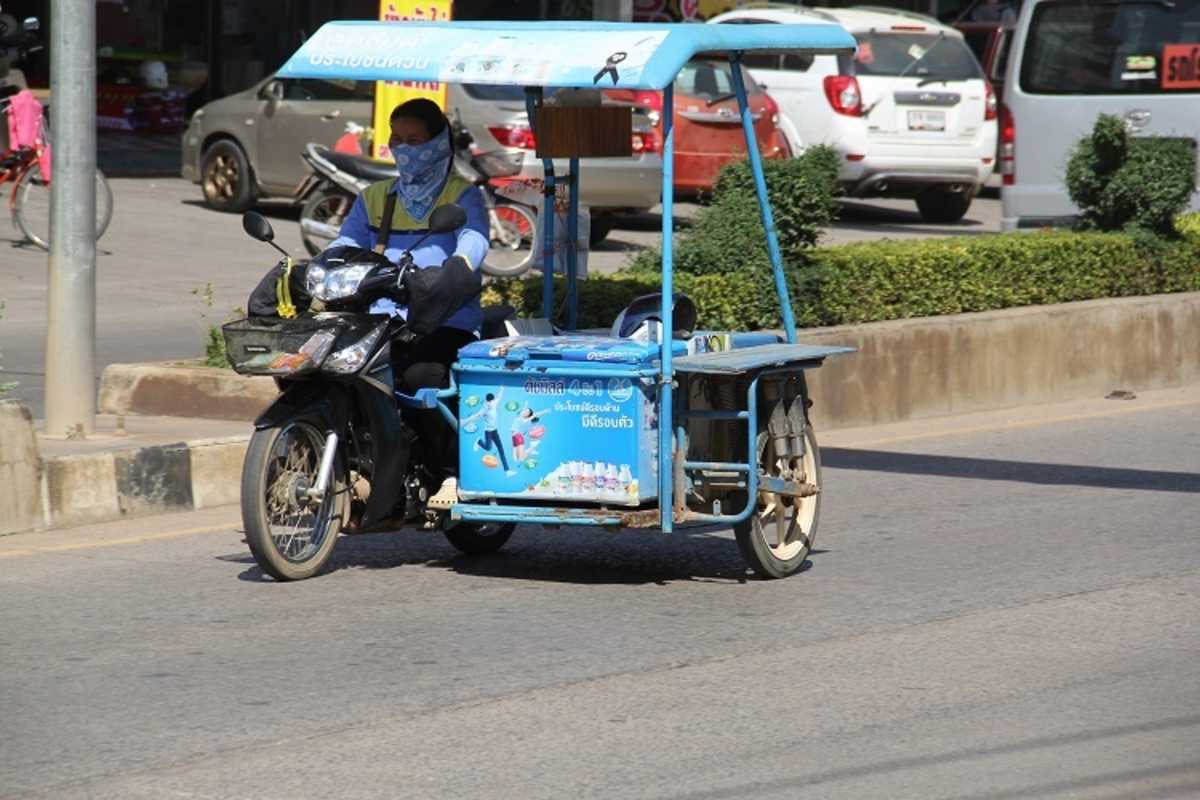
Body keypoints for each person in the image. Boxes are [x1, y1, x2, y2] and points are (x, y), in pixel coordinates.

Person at [328, 97, 489, 509]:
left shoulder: (462, 196)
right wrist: (324, 264)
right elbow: (347, 242)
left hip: (443, 318)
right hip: (381, 318)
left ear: (438, 142)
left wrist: (458, 267)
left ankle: (451, 472)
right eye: (396, 139)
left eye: (414, 139)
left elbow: (473, 239)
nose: (404, 148)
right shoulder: (375, 196)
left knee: (421, 374)